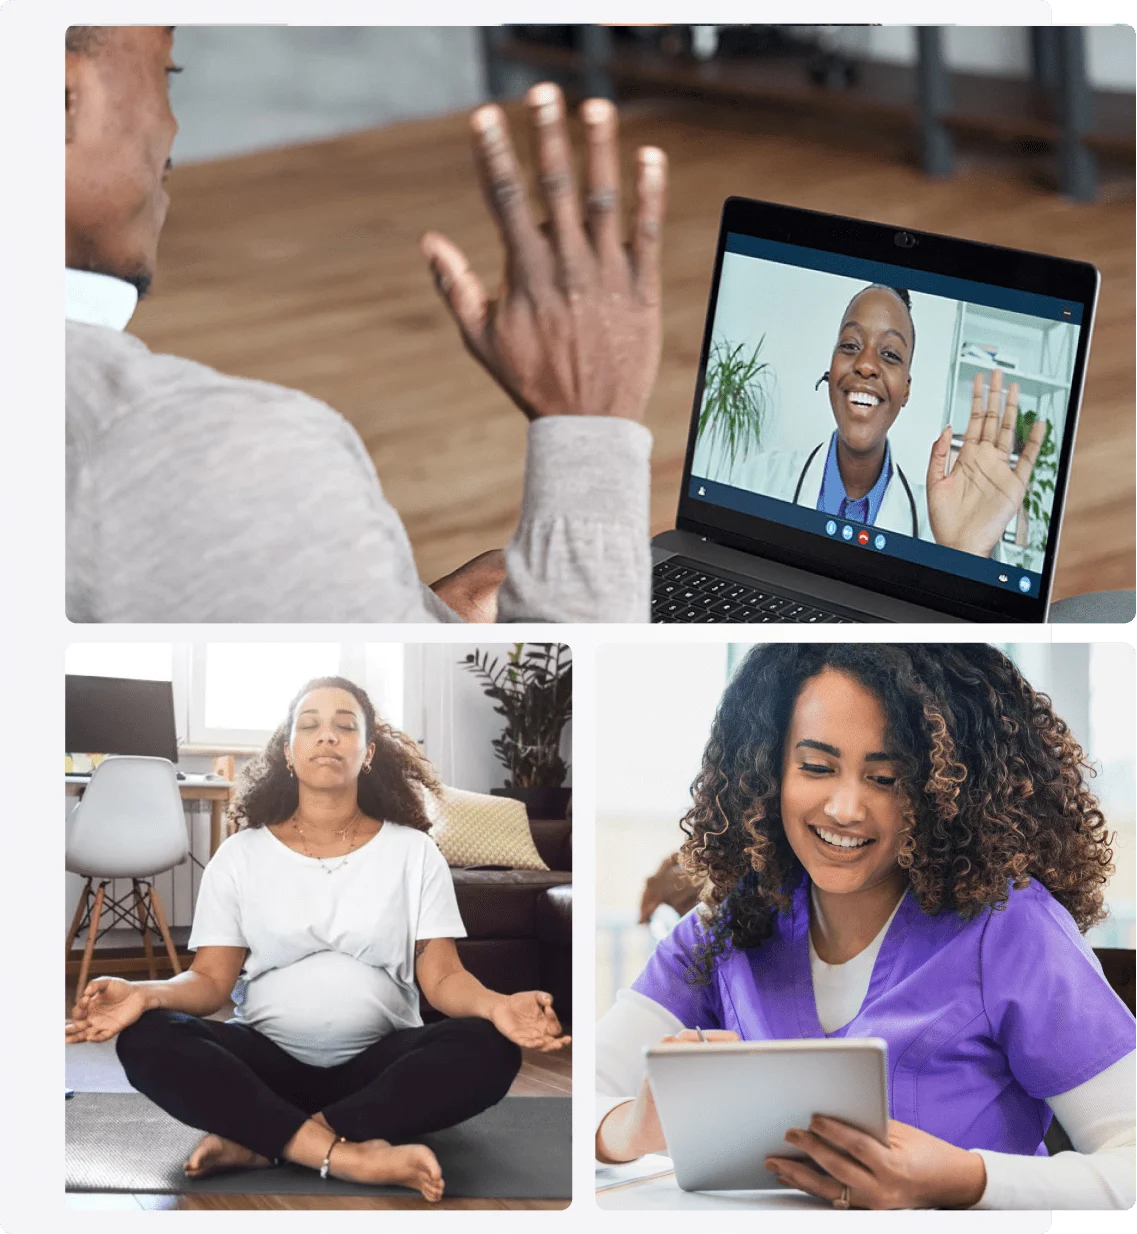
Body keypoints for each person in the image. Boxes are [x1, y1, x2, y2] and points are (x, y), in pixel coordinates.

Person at [65, 27, 667, 622]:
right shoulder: (223, 458)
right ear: (65, 97)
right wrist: (588, 420)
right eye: (165, 73)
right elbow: (564, 708)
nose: (172, 130)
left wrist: (411, 620)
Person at [596, 645, 1135, 1210]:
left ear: (947, 791)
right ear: (767, 769)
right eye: (816, 767)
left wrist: (964, 1179)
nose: (846, 808)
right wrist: (630, 1130)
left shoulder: (1011, 929)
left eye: (884, 778)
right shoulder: (729, 925)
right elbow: (581, 1094)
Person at [66, 678, 569, 1199]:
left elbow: (442, 977)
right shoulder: (241, 854)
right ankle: (346, 1153)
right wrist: (147, 993)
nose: (326, 736)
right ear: (288, 752)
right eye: (309, 726)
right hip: (265, 1068)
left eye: (344, 726)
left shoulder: (414, 852)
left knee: (491, 1047)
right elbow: (210, 981)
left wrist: (498, 1006)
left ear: (368, 752)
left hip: (381, 1073)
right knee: (149, 1037)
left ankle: (267, 1140)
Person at [697, 284, 1047, 558]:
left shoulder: (940, 526)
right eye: (850, 345)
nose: (865, 365)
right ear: (831, 368)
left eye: (890, 354)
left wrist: (965, 557)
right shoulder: (756, 481)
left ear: (906, 390)